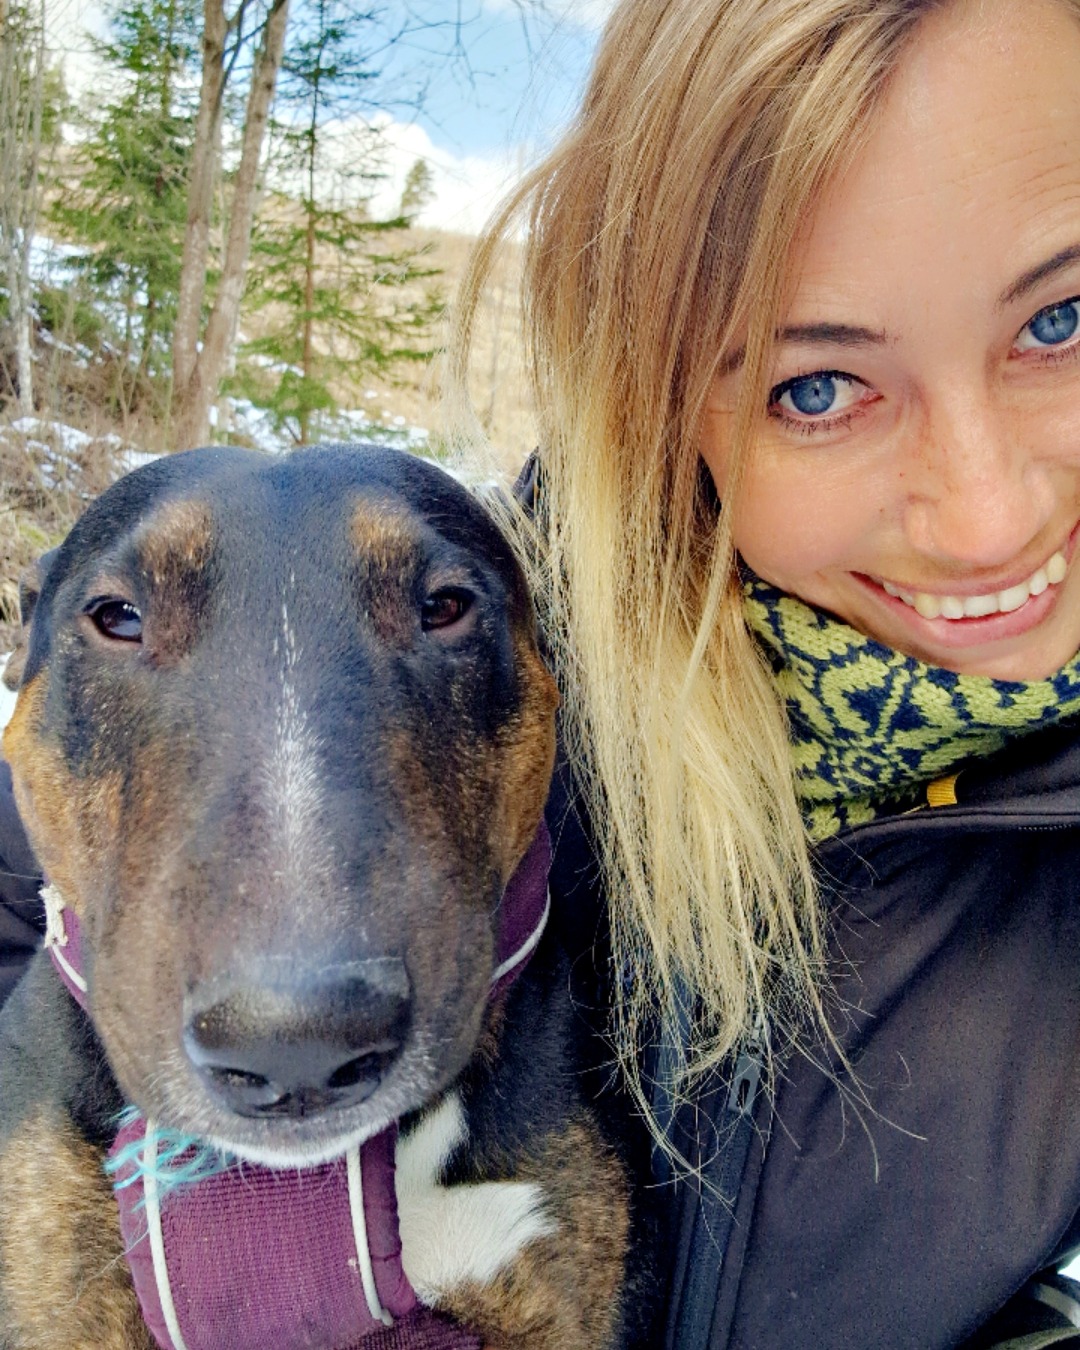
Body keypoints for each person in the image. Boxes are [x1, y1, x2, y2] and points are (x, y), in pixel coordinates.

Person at [446, 0, 1080, 1344]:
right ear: (661, 407)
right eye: (819, 388)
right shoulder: (465, 674)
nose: (988, 520)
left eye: (1063, 319)